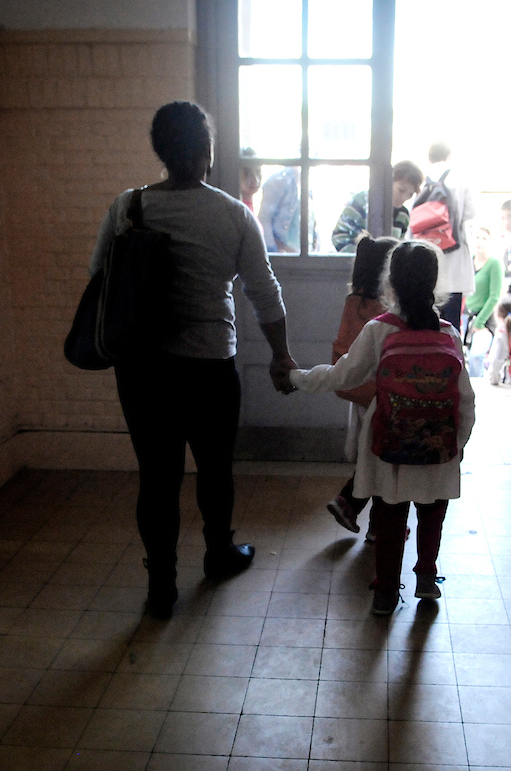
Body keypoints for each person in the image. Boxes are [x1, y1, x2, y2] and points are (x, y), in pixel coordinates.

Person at [88, 101, 296, 619]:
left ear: (159, 150)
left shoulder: (127, 207)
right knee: (214, 468)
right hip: (209, 367)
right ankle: (218, 553)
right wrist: (281, 356)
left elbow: (99, 276)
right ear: (208, 151)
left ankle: (161, 583)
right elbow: (264, 293)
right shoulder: (232, 214)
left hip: (142, 368)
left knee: (157, 476)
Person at [285, 241, 476, 615]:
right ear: (435, 283)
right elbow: (465, 398)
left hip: (389, 443)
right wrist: (458, 442)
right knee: (432, 513)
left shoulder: (379, 330)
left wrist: (296, 378)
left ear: (391, 283)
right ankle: (426, 576)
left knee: (390, 517)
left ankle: (386, 592)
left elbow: (340, 376)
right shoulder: (449, 334)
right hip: (438, 444)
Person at [325, 237, 400, 541]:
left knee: (372, 454)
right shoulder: (388, 309)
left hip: (358, 390)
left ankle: (355, 507)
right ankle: (364, 514)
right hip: (383, 394)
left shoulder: (354, 302)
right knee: (384, 458)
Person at [424, 142, 476, 328]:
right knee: (451, 325)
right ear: (449, 157)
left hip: (427, 260)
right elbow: (470, 213)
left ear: (430, 158)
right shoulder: (460, 180)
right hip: (454, 261)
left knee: (426, 322)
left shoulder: (423, 181)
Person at [330, 161, 424, 252]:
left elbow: (399, 248)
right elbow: (339, 236)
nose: (404, 197)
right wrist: (360, 257)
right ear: (389, 181)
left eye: (411, 194)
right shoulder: (361, 201)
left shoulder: (403, 215)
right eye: (401, 190)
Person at [258, 166, 316, 253]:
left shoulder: (309, 182)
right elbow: (264, 218)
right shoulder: (279, 180)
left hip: (302, 253)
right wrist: (275, 250)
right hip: (283, 254)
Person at [464, 225, 503, 340]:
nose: (479, 242)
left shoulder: (494, 264)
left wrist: (479, 322)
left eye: (484, 238)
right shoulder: (468, 261)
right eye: (477, 237)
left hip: (483, 320)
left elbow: (494, 297)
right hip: (466, 316)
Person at [487, 295, 511, 387]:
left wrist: (494, 379)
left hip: (508, 381)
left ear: (497, 315)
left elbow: (496, 360)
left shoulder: (501, 334)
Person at [239, 146, 262, 212]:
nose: (255, 180)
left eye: (258, 172)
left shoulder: (248, 207)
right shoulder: (240, 209)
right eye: (247, 173)